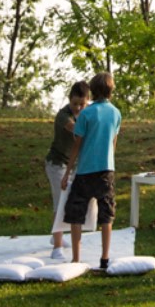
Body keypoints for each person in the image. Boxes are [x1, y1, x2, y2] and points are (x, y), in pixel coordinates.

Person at [63, 72, 122, 272]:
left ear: (92, 92)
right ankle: (105, 258)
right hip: (106, 170)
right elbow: (113, 143)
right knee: (106, 215)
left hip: (85, 171)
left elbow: (77, 146)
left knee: (75, 213)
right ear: (110, 91)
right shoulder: (116, 113)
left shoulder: (86, 114)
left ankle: (76, 259)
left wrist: (67, 173)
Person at [45, 80, 89, 257]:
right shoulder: (63, 116)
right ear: (69, 100)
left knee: (68, 202)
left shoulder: (85, 113)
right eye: (75, 103)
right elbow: (77, 130)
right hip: (56, 164)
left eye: (82, 104)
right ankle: (57, 247)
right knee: (60, 203)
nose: (78, 107)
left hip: (71, 165)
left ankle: (56, 236)